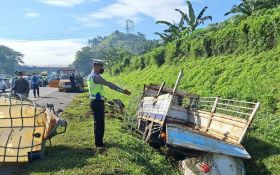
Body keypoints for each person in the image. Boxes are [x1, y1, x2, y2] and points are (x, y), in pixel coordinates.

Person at [87, 59, 131, 148]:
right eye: (101, 67)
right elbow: (109, 84)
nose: (102, 68)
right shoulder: (96, 77)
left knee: (97, 123)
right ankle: (99, 144)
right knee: (100, 124)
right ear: (95, 66)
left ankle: (98, 142)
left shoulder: (90, 76)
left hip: (95, 101)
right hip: (97, 102)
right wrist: (123, 91)